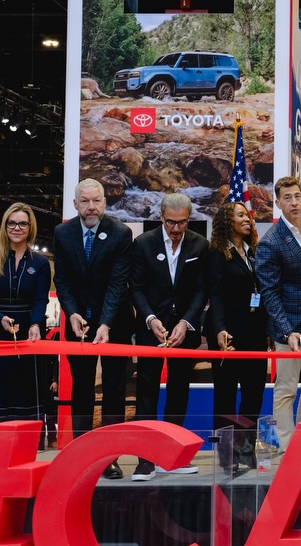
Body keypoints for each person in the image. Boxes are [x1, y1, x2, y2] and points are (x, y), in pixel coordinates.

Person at [52, 179, 133, 480]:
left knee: (114, 390)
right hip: (78, 325)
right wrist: (71, 313)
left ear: (104, 202)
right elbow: (62, 280)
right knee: (81, 389)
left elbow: (117, 283)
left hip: (114, 323)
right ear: (75, 204)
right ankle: (82, 456)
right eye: (85, 201)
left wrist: (106, 323)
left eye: (96, 201)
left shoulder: (120, 233)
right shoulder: (63, 233)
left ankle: (109, 457)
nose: (91, 207)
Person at [130, 193, 208, 481]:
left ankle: (173, 456)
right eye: (171, 222)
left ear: (189, 218)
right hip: (151, 327)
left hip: (184, 331)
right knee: (146, 392)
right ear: (161, 217)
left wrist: (186, 322)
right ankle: (145, 460)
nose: (176, 228)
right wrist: (150, 319)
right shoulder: (143, 243)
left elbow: (201, 290)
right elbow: (135, 287)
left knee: (179, 391)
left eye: (183, 222)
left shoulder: (199, 244)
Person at [254, 176, 301, 455]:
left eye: (297, 196)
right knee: (286, 388)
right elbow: (269, 294)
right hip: (288, 326)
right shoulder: (270, 242)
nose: (294, 202)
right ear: (278, 202)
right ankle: (287, 448)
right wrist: (286, 331)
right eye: (287, 198)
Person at [0, 202, 52, 454]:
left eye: (22, 224)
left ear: (30, 228)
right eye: (12, 223)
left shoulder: (40, 262)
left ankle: (29, 449)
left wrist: (36, 324)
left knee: (28, 388)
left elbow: (41, 299)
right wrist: (0, 317)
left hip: (30, 330)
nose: (17, 228)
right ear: (5, 226)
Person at [207, 200, 266, 475]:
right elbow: (216, 295)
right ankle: (225, 454)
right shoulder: (217, 253)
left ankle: (245, 447)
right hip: (227, 335)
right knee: (226, 396)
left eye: (247, 215)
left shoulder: (253, 252)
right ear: (226, 222)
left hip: (254, 333)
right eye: (240, 215)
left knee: (254, 394)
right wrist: (219, 328)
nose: (247, 219)